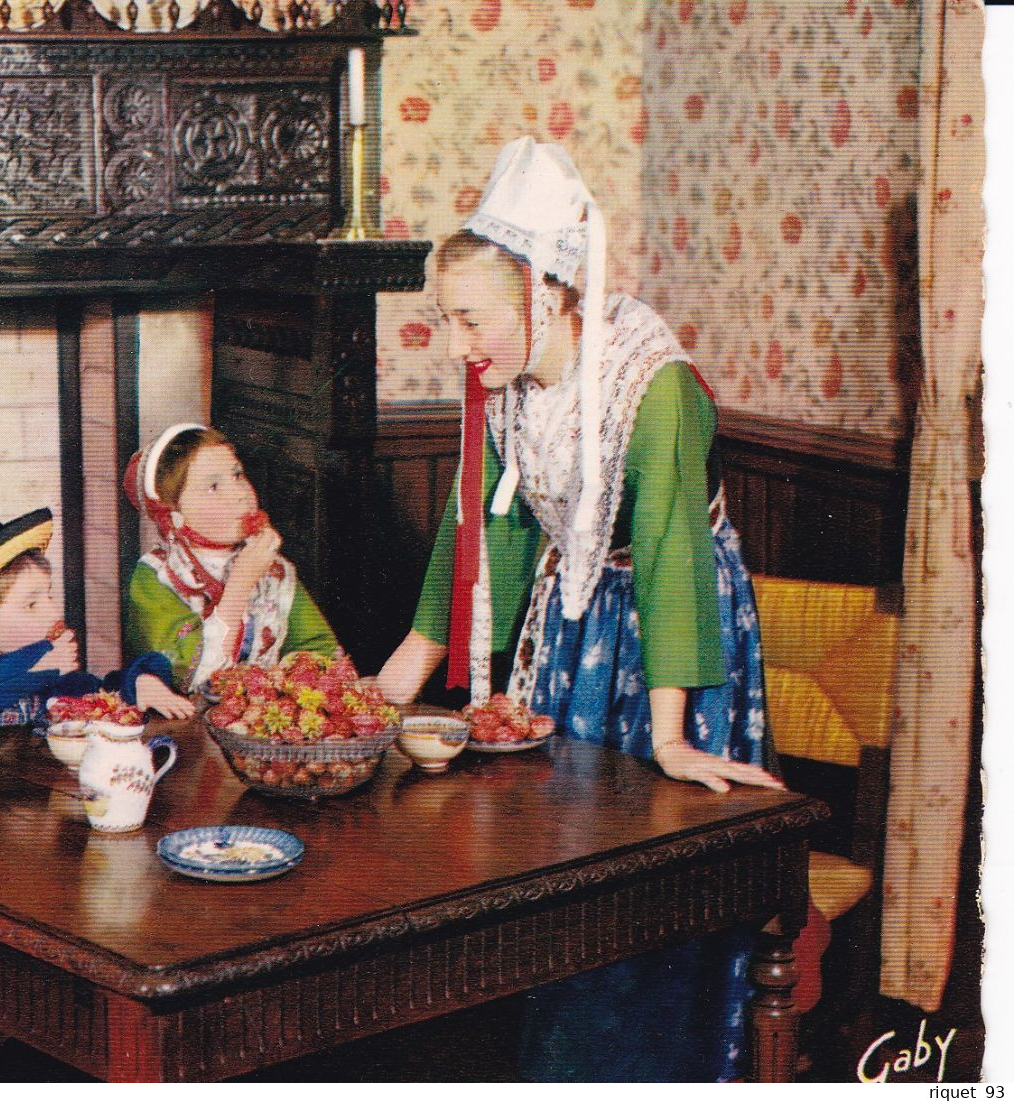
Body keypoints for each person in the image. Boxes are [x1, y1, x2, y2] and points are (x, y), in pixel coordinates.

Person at [374, 136, 782, 1082]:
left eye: (469, 320)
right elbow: (483, 531)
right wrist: (390, 684)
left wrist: (673, 740)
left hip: (671, 648)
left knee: (646, 882)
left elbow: (673, 555)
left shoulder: (655, 385)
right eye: (449, 321)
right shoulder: (508, 384)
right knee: (559, 884)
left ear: (546, 295)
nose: (459, 345)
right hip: (577, 624)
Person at [0, 508, 193, 743]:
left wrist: (138, 684)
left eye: (49, 595)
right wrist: (43, 662)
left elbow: (99, 694)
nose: (54, 610)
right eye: (32, 604)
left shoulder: (54, 678)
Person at [123, 423, 339, 693]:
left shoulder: (275, 570)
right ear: (172, 515)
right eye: (213, 486)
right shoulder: (156, 577)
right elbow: (193, 677)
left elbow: (320, 650)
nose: (239, 494)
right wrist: (241, 582)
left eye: (237, 475)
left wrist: (293, 679)